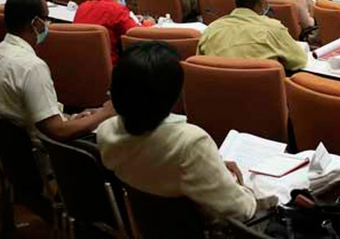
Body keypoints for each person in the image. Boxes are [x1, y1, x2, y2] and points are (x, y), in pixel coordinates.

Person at [97, 43, 256, 221]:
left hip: (142, 227)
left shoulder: (106, 130)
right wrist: (237, 183)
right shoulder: (190, 142)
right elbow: (241, 210)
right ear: (174, 92)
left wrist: (212, 167)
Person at [0, 0, 115, 140]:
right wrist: (106, 113)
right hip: (38, 153)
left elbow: (26, 112)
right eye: (46, 18)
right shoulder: (32, 67)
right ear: (36, 23)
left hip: (5, 145)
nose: (48, 24)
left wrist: (74, 119)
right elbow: (58, 131)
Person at [198, 0, 307, 72]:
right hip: (262, 94)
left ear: (234, 0)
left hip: (216, 93)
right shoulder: (274, 29)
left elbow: (199, 65)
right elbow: (299, 61)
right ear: (263, 3)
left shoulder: (211, 30)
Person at [74, 0, 141, 65]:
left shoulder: (82, 7)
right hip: (109, 65)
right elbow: (136, 33)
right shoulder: (117, 9)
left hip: (80, 63)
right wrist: (149, 23)